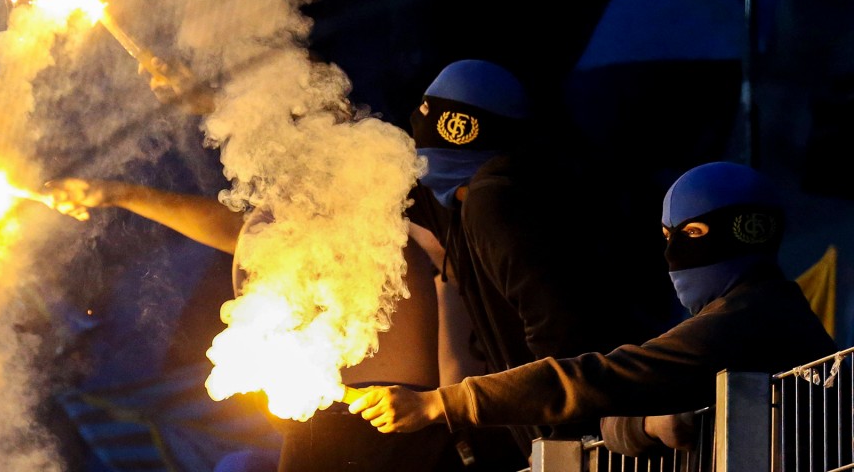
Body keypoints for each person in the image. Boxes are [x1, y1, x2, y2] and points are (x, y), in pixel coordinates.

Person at [348, 161, 838, 457]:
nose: (672, 257)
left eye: (689, 237)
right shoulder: (748, 315)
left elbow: (607, 377)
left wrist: (441, 402)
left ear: (744, 232)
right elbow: (624, 402)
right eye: (665, 238)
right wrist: (645, 425)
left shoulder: (749, 320)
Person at [44, 175, 467, 469]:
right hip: (333, 421)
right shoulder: (279, 211)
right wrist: (118, 193)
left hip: (378, 421)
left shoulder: (344, 197)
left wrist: (204, 96)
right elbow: (239, 230)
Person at [398, 59, 679, 462]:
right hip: (595, 423)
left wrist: (556, 441)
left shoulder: (491, 201)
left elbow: (558, 329)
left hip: (596, 438)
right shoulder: (512, 190)